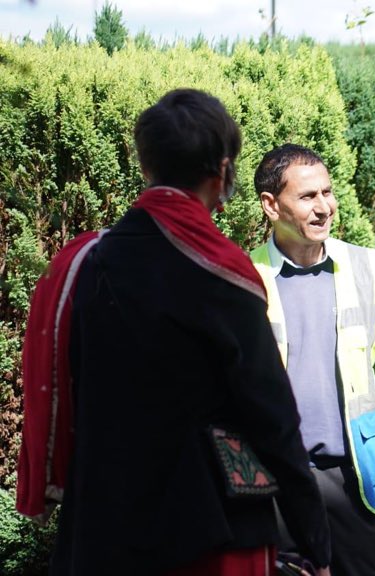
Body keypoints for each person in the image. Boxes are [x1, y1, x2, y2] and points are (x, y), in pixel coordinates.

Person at [16, 89, 332, 575]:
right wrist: (313, 539)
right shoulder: (223, 273)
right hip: (211, 532)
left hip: (102, 527)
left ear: (147, 167)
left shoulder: (83, 263)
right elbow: (272, 418)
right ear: (223, 171)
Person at [251, 144, 375, 576]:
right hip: (275, 491)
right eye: (308, 197)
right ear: (271, 206)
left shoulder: (367, 270)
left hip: (354, 486)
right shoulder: (244, 280)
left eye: (328, 192)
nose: (325, 207)